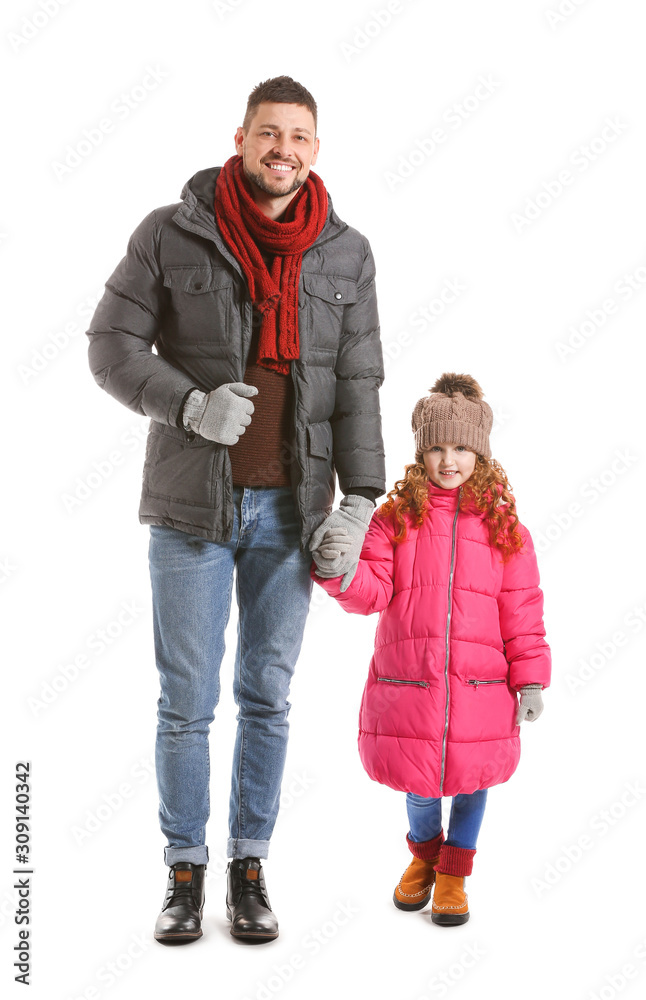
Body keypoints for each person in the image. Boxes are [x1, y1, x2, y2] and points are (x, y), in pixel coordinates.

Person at [85, 75, 385, 944]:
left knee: (268, 696)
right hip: (190, 512)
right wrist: (185, 404)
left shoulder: (346, 253)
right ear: (242, 138)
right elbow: (109, 346)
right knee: (186, 701)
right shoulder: (171, 231)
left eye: (298, 136)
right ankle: (185, 871)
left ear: (315, 150)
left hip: (296, 513)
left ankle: (250, 864)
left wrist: (360, 500)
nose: (282, 149)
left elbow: (359, 386)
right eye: (268, 133)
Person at [310, 373, 550, 925]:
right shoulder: (396, 521)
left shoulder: (505, 530)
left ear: (481, 453)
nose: (449, 459)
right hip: (410, 680)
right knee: (418, 779)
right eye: (437, 447)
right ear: (420, 453)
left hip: (482, 684)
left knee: (473, 776)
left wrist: (531, 678)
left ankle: (452, 873)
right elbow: (371, 593)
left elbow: (523, 611)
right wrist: (340, 571)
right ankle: (424, 855)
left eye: (461, 447)